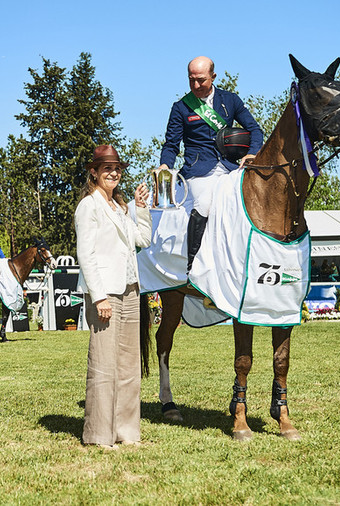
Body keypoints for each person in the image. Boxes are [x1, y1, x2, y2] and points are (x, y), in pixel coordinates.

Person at [74, 145, 152, 449]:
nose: (113, 173)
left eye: (117, 169)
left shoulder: (120, 207)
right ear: (94, 172)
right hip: (105, 293)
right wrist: (99, 296)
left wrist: (140, 207)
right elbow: (86, 254)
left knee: (128, 364)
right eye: (107, 169)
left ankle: (127, 431)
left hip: (131, 289)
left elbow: (142, 240)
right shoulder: (88, 206)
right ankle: (98, 434)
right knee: (104, 364)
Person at [158, 56, 263, 274]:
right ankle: (192, 264)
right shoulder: (181, 108)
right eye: (191, 80)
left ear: (213, 77)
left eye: (201, 80)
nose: (196, 85)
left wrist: (252, 153)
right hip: (198, 171)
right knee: (205, 203)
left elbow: (255, 130)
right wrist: (165, 166)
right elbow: (171, 144)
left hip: (230, 168)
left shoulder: (230, 100)